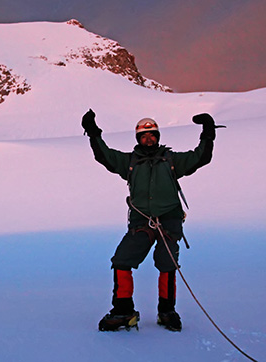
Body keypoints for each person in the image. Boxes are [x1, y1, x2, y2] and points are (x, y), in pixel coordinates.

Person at [81, 109, 217, 332]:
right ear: (138, 139)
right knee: (122, 261)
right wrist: (93, 132)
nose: (148, 138)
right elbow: (104, 156)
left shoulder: (171, 160)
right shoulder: (129, 162)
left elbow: (200, 157)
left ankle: (167, 312)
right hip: (141, 221)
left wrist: (208, 132)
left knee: (167, 264)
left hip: (169, 220)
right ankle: (123, 310)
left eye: (152, 134)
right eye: (144, 136)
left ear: (158, 136)